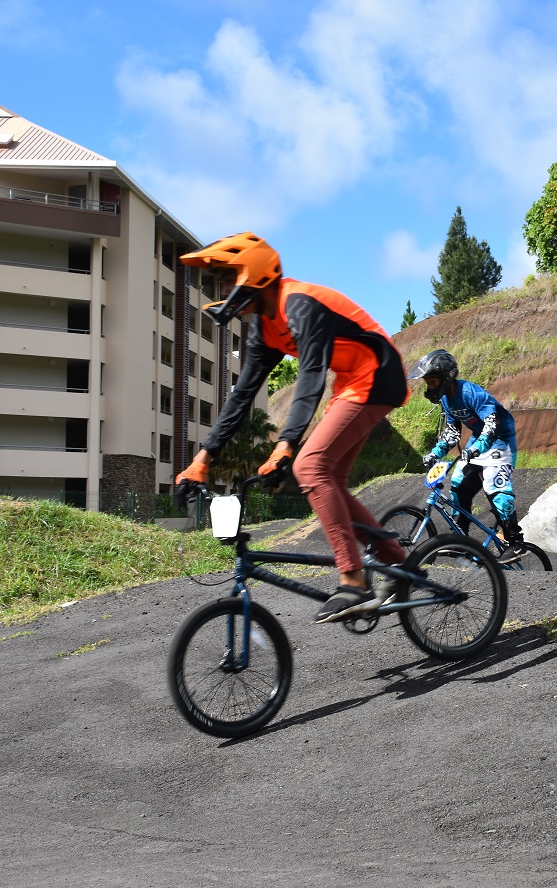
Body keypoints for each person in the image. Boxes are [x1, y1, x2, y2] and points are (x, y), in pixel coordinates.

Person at [173, 232, 409, 624]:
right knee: (328, 477)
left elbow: (309, 377)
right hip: (350, 382)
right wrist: (201, 461)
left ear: (254, 272)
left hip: (378, 374)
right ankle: (399, 563)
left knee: (309, 467)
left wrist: (285, 447)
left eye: (229, 277)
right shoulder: (265, 330)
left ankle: (353, 581)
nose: (223, 289)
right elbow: (241, 397)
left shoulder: (298, 304)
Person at [411, 349, 526, 560]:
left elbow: (493, 424)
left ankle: (516, 542)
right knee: (457, 484)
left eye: (433, 382)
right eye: (428, 383)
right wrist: (435, 453)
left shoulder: (471, 393)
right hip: (478, 443)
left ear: (447, 377)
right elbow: (453, 432)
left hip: (501, 442)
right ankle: (461, 540)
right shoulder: (447, 400)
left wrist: (477, 448)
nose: (430, 387)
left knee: (494, 487)